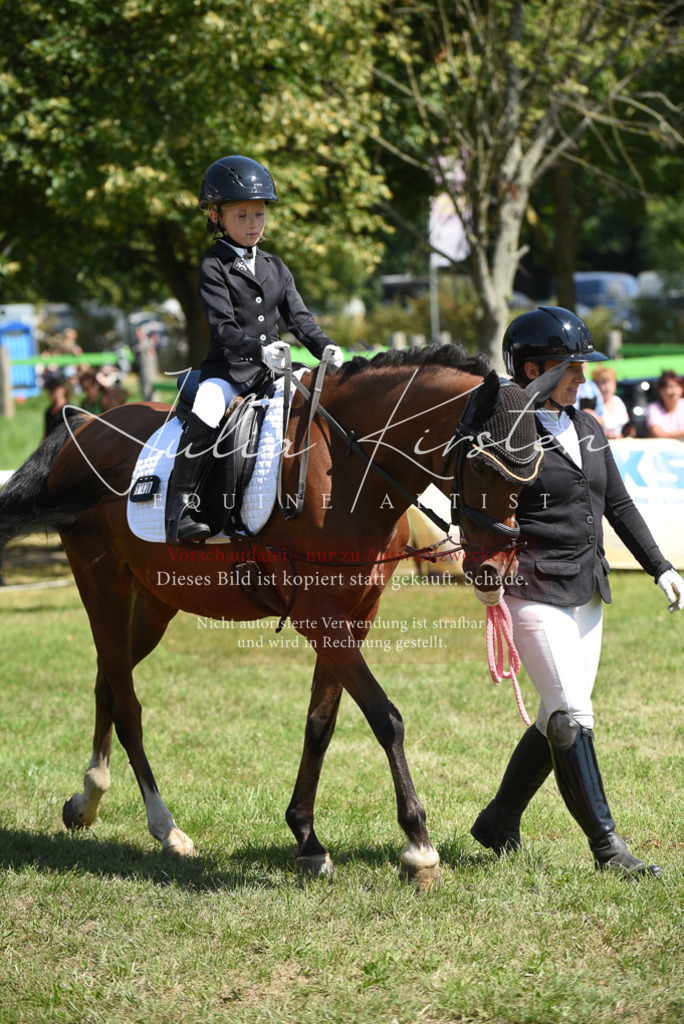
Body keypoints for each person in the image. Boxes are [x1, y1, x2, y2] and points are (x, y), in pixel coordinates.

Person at [470, 306, 684, 878]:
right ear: (534, 367)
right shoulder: (505, 431)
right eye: (571, 367)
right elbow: (479, 508)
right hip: (532, 587)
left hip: (587, 589)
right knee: (570, 715)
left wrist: (660, 565)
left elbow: (617, 503)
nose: (582, 378)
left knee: (552, 718)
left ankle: (498, 819)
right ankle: (608, 847)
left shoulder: (588, 427)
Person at [166, 155, 344, 542]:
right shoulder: (213, 266)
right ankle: (179, 508)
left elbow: (300, 319)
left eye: (259, 215)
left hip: (273, 372)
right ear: (216, 217)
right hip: (228, 371)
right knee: (209, 410)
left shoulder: (276, 266)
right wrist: (258, 350)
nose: (252, 225)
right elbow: (223, 328)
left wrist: (326, 347)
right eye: (241, 215)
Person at [592, 366, 630, 439]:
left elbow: (626, 424)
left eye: (610, 382)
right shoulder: (594, 403)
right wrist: (606, 435)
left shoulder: (618, 401)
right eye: (603, 382)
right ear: (596, 385)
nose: (607, 387)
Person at [646, 370, 684, 440]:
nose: (674, 391)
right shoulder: (654, 407)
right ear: (660, 390)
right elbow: (657, 433)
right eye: (670, 386)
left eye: (677, 386)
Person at [43, 373, 73, 438]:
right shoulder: (48, 412)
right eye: (50, 390)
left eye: (54, 390)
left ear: (63, 389)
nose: (51, 393)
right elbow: (46, 434)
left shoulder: (70, 410)